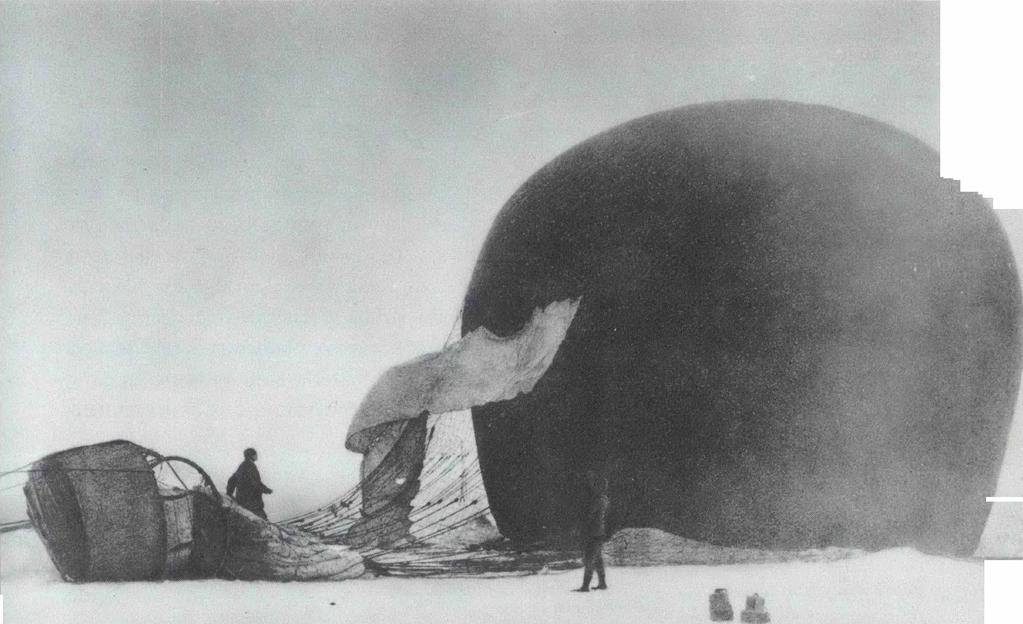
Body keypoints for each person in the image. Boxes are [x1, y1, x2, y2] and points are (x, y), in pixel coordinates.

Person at [575, 470, 610, 592]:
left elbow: (589, 516)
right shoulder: (604, 499)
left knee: (589, 559)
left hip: (593, 533)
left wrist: (582, 528)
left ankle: (585, 586)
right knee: (598, 558)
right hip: (599, 532)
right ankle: (602, 583)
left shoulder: (597, 500)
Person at [226, 447, 273, 520]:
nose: (257, 456)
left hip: (243, 500)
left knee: (253, 518)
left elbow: (232, 480)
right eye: (255, 454)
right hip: (252, 501)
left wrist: (229, 493)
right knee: (262, 521)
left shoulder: (242, 466)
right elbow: (254, 483)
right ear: (251, 455)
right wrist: (265, 490)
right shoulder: (249, 466)